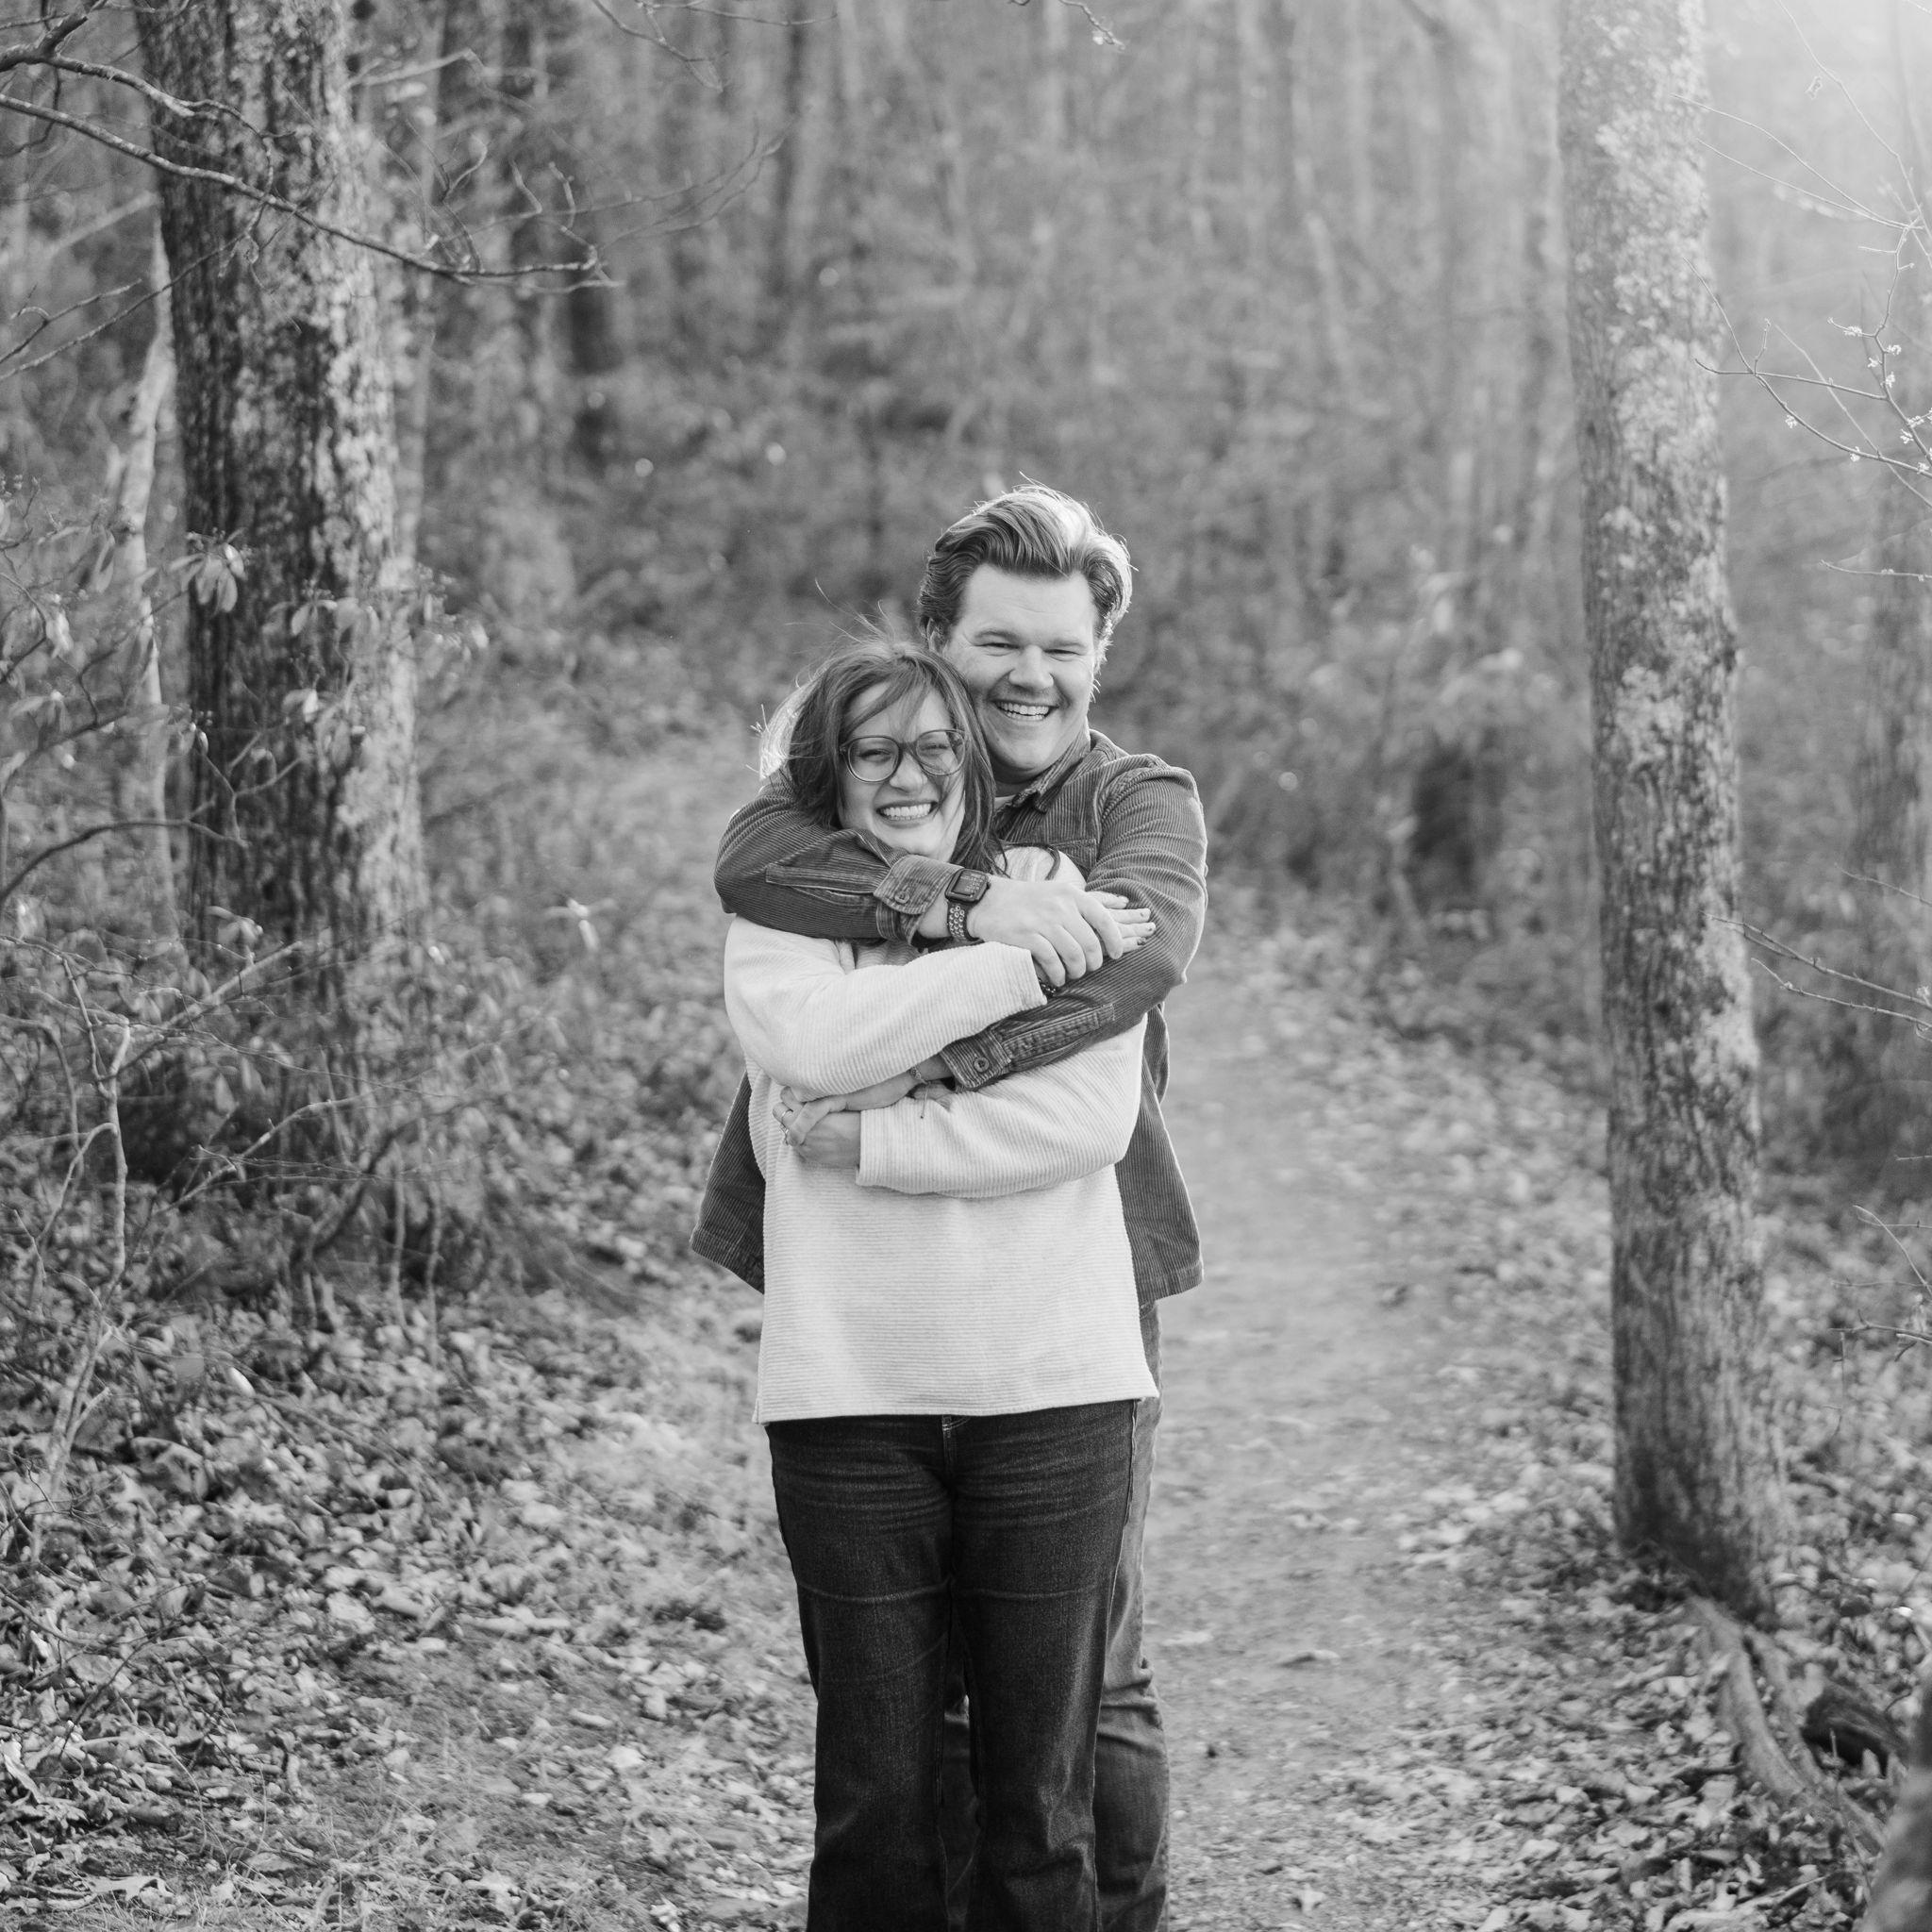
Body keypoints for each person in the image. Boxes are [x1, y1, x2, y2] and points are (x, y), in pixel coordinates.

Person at [694, 485, 1208, 1932]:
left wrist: (911, 1097)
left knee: (1085, 1685)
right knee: (899, 1738)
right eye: (998, 642)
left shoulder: (1128, 806)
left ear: (1100, 654)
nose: (1029, 677)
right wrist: (978, 911)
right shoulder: (853, 780)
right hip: (869, 1330)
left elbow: (1130, 970)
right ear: (939, 639)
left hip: (1077, 1276)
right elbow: (749, 865)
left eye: (1062, 646)